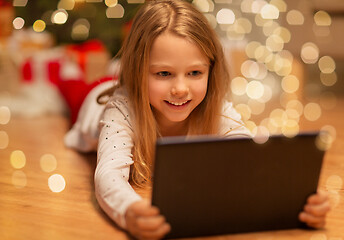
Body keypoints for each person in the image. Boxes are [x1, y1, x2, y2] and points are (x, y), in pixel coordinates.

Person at [65, 0, 330, 239]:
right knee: (71, 89)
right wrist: (130, 211)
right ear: (137, 72)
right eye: (164, 74)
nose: (181, 88)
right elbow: (108, 175)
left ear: (210, 71)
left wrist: (297, 201)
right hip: (94, 100)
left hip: (126, 88)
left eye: (194, 73)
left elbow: (249, 162)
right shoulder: (120, 110)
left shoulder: (218, 111)